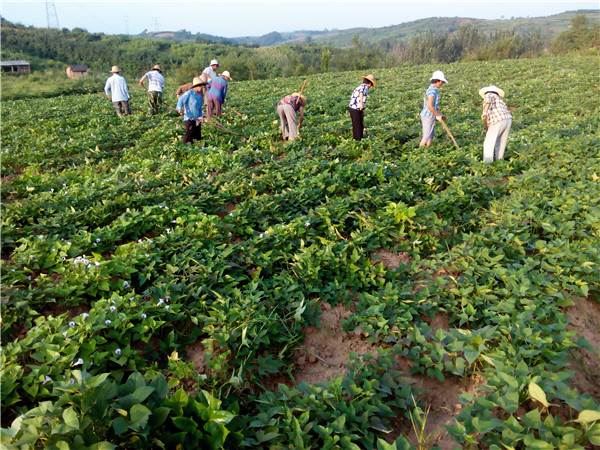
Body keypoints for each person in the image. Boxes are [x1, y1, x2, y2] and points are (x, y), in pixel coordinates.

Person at [479, 85, 512, 163]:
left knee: (488, 143)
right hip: (507, 119)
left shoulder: (488, 95)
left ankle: (487, 164)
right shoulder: (499, 99)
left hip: (498, 120)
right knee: (500, 142)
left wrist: (485, 113)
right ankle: (499, 162)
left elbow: (487, 102)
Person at [419, 70, 448, 147]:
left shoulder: (434, 89)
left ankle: (428, 151)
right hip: (427, 116)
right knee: (426, 137)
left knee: (430, 137)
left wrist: (439, 115)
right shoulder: (432, 90)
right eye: (441, 82)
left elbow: (433, 107)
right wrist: (438, 115)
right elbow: (430, 106)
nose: (442, 84)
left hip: (431, 116)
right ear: (438, 81)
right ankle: (419, 153)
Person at [176, 76, 207, 144]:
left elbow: (199, 108)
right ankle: (184, 148)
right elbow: (181, 100)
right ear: (196, 86)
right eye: (200, 87)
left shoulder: (199, 95)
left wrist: (201, 117)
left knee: (197, 136)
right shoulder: (189, 93)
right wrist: (179, 109)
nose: (201, 88)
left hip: (197, 118)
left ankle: (197, 148)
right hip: (189, 117)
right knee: (189, 135)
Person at [348, 74, 377, 141]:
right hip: (356, 108)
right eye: (371, 85)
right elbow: (361, 93)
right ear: (369, 83)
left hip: (353, 108)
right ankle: (358, 140)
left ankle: (357, 139)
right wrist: (361, 104)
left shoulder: (360, 86)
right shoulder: (365, 87)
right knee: (358, 125)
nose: (371, 86)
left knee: (357, 124)